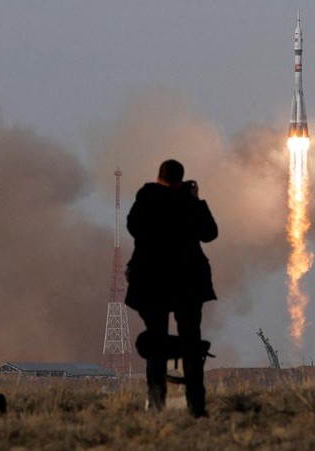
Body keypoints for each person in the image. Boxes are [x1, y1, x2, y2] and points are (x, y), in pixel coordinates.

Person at [124, 159, 218, 418]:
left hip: (152, 283)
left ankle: (156, 404)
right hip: (188, 284)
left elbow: (133, 228)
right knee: (190, 343)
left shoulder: (146, 200)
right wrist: (196, 200)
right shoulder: (187, 203)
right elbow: (209, 233)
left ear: (158, 177)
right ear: (180, 180)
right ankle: (196, 406)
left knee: (156, 343)